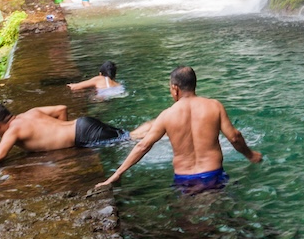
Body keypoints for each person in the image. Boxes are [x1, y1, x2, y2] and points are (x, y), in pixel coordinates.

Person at [96, 66, 261, 193]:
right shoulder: (214, 106)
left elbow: (143, 146)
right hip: (214, 175)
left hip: (184, 180)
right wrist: (251, 155)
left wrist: (117, 174)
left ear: (175, 88)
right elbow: (234, 137)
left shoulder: (167, 115)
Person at [0, 103, 127, 165]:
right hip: (84, 123)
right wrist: (61, 131)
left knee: (130, 141)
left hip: (84, 135)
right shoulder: (31, 113)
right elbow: (61, 109)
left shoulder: (13, 129)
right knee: (127, 136)